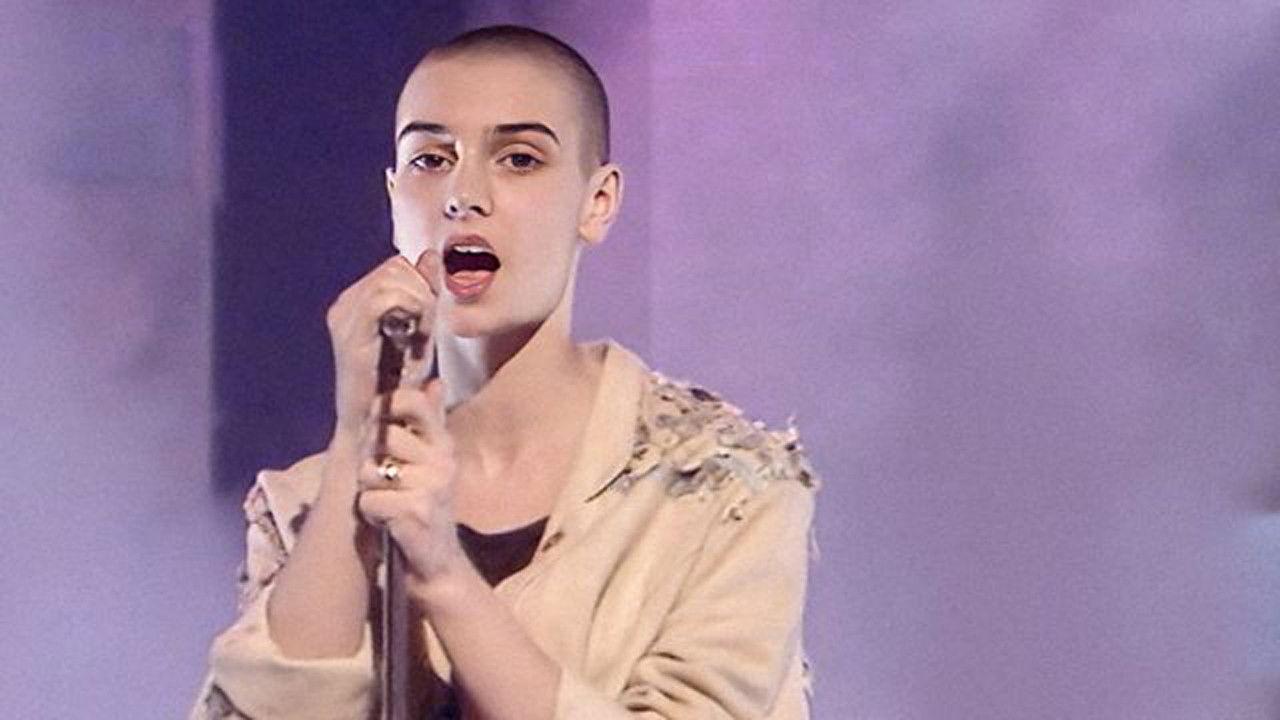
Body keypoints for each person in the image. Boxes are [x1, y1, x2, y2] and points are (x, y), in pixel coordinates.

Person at [189, 25, 817, 720]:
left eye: (518, 159)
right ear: (394, 198)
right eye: (431, 159)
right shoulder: (306, 505)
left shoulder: (716, 490)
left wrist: (443, 573)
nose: (464, 193)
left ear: (597, 201)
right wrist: (354, 448)